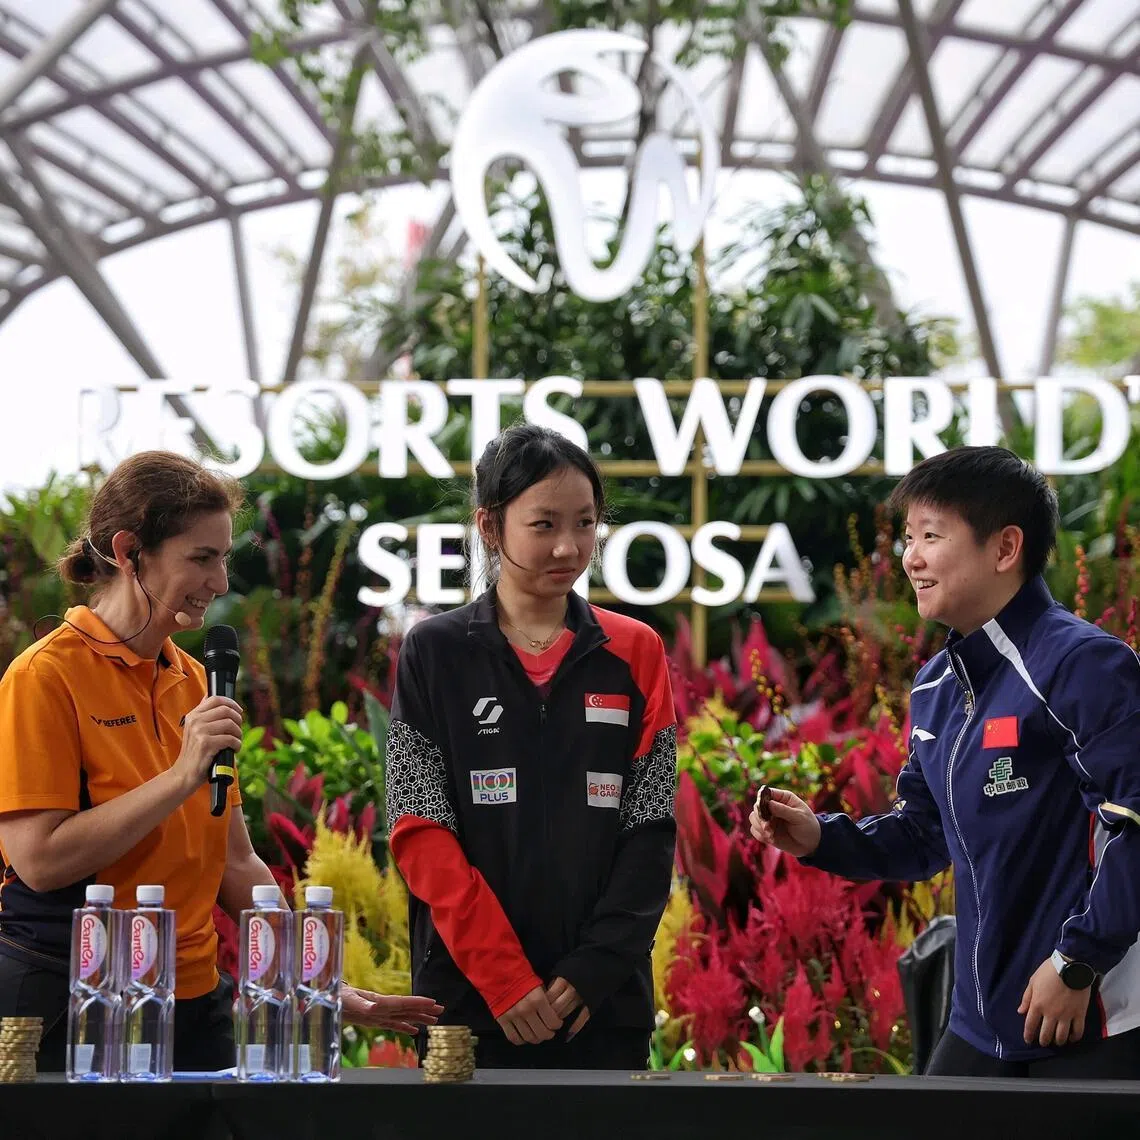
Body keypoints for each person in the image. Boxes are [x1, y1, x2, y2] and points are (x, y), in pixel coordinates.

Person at [0, 451, 441, 1071]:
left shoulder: (196, 682)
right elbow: (40, 861)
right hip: (72, 993)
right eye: (201, 559)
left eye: (224, 557)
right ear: (129, 554)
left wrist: (310, 978)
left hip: (194, 999)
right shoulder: (44, 677)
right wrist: (181, 775)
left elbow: (235, 858)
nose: (221, 582)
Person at [750, 445, 1140, 1079]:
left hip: (1084, 1017)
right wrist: (820, 837)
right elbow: (924, 834)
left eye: (931, 535)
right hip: (979, 1023)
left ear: (1005, 548)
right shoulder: (935, 687)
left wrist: (1078, 961)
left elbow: (1134, 822)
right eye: (908, 537)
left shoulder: (1083, 666)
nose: (911, 558)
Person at [384, 423, 677, 1069]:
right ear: (491, 527)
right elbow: (419, 827)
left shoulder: (636, 651)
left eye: (586, 523)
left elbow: (651, 828)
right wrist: (503, 976)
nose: (569, 547)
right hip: (469, 1008)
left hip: (600, 1009)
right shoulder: (434, 651)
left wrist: (598, 966)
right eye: (543, 525)